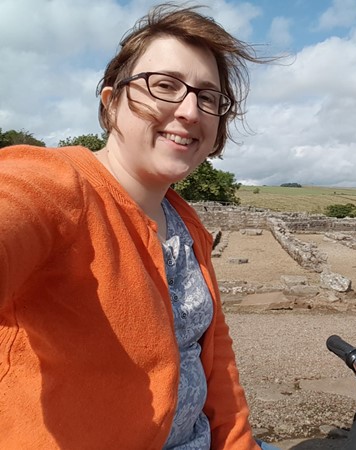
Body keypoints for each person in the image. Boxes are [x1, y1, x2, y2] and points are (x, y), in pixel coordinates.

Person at [0, 4, 278, 449]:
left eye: (209, 98)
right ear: (111, 104)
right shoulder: (56, 185)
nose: (190, 111)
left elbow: (217, 365)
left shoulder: (186, 224)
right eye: (164, 85)